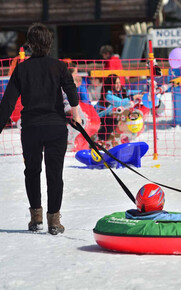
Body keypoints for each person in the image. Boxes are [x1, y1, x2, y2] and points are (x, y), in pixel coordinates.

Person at [0, 23, 82, 235]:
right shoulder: (59, 66)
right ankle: (54, 221)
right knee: (55, 174)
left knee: (32, 171)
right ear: (49, 43)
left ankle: (36, 218)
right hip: (56, 127)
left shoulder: (22, 68)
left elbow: (8, 103)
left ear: (30, 45)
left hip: (31, 129)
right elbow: (72, 93)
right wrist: (76, 116)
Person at [96, 74, 143, 142]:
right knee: (115, 120)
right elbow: (120, 102)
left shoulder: (122, 90)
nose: (118, 85)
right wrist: (134, 97)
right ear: (110, 84)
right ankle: (101, 140)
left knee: (126, 115)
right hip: (101, 118)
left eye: (119, 82)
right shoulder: (107, 95)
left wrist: (142, 93)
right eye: (116, 83)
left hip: (113, 114)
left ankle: (123, 137)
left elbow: (132, 92)